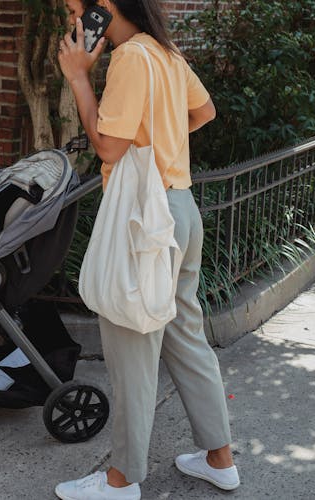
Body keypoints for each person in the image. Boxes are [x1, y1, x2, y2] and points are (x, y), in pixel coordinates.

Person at [54, 0, 240, 498]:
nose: (74, 19)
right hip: (178, 208)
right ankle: (219, 458)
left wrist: (78, 77)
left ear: (105, 5)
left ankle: (121, 480)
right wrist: (159, 141)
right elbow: (203, 112)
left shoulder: (132, 57)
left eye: (76, 8)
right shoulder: (166, 51)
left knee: (133, 349)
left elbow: (109, 148)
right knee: (184, 333)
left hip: (142, 218)